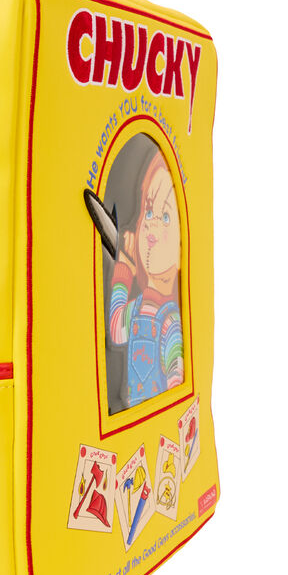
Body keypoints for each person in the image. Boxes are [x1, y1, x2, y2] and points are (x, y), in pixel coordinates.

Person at [108, 151, 184, 408]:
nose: (152, 226)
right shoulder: (139, 307)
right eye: (149, 212)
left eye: (166, 217)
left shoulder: (170, 321)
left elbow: (175, 375)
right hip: (136, 411)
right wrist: (124, 272)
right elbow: (116, 329)